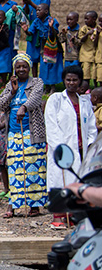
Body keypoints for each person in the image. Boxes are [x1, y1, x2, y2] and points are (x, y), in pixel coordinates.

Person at [45, 65, 97, 229]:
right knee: (60, 179)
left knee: (78, 181)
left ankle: (75, 216)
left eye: (75, 80)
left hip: (82, 149)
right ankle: (59, 216)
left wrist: (89, 144)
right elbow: (52, 126)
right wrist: (61, 148)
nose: (71, 83)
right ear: (64, 80)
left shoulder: (85, 101)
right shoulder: (56, 100)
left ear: (80, 82)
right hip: (62, 149)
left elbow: (91, 127)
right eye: (68, 79)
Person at [0, 52, 47, 218]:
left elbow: (34, 100)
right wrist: (12, 91)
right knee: (15, 169)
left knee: (32, 169)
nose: (21, 69)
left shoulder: (37, 83)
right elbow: (1, 104)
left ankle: (34, 206)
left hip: (32, 134)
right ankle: (14, 205)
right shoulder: (10, 85)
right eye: (18, 67)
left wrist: (23, 107)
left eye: (24, 66)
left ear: (29, 68)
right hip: (13, 133)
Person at [78, 11, 98, 86]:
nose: (85, 20)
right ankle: (86, 87)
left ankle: (96, 87)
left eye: (87, 19)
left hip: (95, 54)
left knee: (95, 72)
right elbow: (81, 40)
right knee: (86, 72)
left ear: (94, 19)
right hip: (85, 54)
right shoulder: (84, 29)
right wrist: (87, 34)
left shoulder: (98, 28)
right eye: (85, 19)